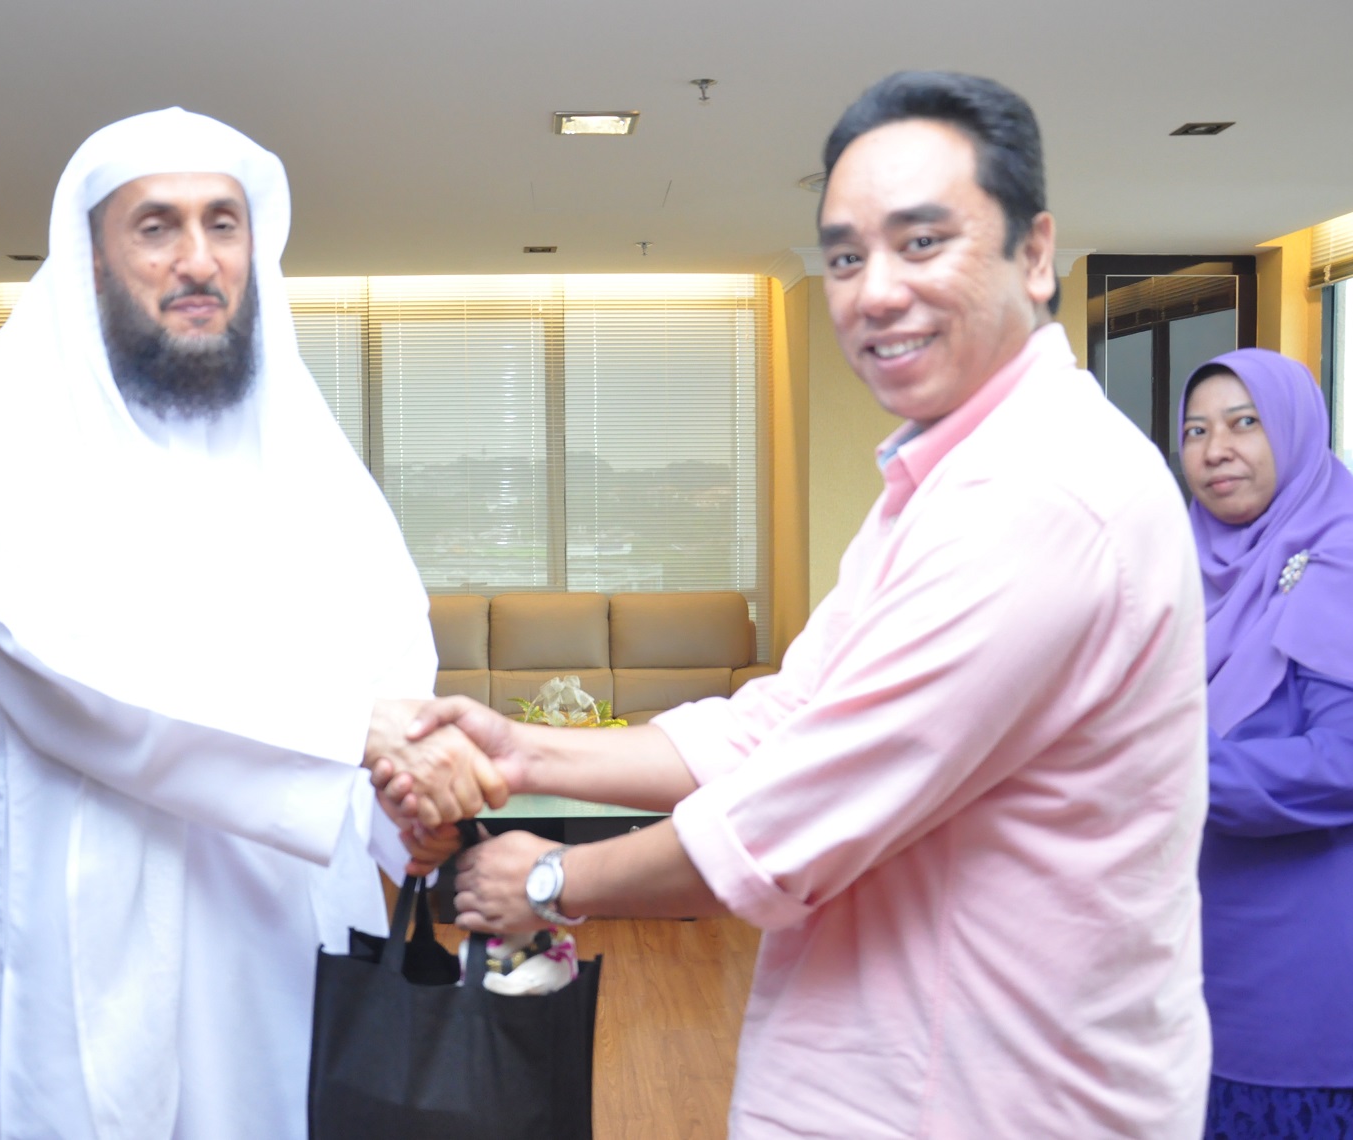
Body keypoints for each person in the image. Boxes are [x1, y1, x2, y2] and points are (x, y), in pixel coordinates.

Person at [378, 71, 1212, 1137]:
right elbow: (778, 722)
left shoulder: (1042, 495)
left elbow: (791, 817)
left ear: (1036, 253)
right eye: (845, 257)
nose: (874, 292)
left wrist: (550, 878)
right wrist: (523, 748)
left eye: (922, 242)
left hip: (986, 1101)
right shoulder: (944, 481)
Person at [0, 108, 500, 1140]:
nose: (198, 259)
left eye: (223, 223)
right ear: (93, 256)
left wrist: (403, 801)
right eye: (157, 226)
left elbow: (386, 642)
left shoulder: (301, 442)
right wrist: (348, 733)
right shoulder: (5, 429)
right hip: (95, 915)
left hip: (290, 913)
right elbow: (63, 668)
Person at [1180, 349, 1353, 1138]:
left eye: (1244, 423)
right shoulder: (1181, 572)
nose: (1217, 450)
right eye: (1196, 431)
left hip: (1318, 974)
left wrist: (1168, 771)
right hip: (1198, 964)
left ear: (1295, 430)